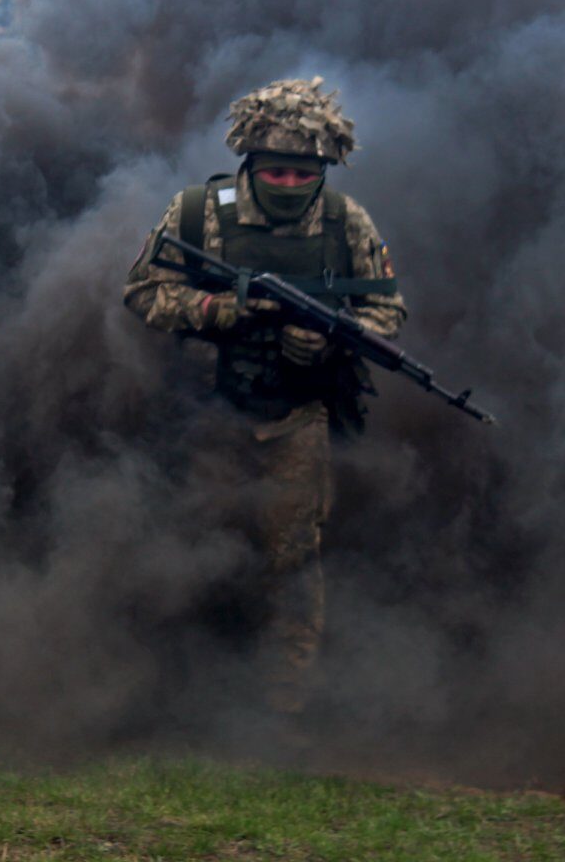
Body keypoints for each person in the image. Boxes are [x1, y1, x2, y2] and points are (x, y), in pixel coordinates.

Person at [123, 77, 405, 719]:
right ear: (249, 161)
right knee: (190, 551)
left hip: (297, 419)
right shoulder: (199, 213)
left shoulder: (346, 223)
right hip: (207, 418)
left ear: (324, 168)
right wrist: (219, 310)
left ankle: (283, 709)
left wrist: (333, 342)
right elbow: (142, 291)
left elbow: (386, 312)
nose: (286, 184)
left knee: (293, 562)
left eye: (301, 172)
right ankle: (171, 697)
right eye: (273, 171)